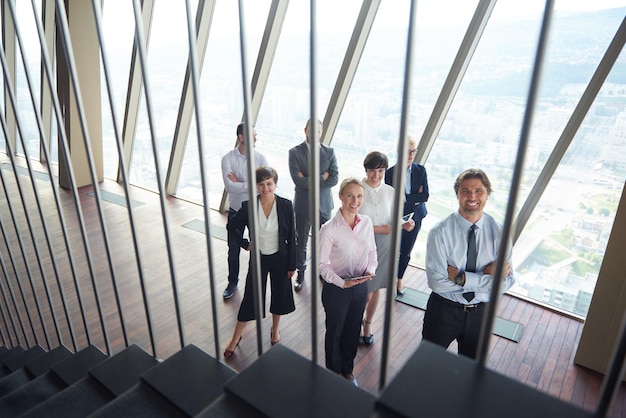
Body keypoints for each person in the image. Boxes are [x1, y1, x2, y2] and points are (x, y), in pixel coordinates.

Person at [422, 168, 515, 359]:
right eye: (465, 191)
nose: (472, 196)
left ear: (488, 194)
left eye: (478, 191)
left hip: (481, 314)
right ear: (457, 194)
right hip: (443, 312)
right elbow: (437, 282)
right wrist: (487, 275)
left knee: (472, 371)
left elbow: (506, 282)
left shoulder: (500, 234)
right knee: (428, 364)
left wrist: (461, 278)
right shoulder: (439, 232)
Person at [223, 166, 297, 357]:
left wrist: (292, 265)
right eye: (261, 184)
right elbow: (231, 225)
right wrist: (244, 243)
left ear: (275, 184)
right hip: (259, 258)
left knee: (279, 295)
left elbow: (291, 237)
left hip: (281, 258)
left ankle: (275, 329)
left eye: (269, 184)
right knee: (250, 298)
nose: (265, 188)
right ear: (256, 186)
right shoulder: (249, 206)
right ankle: (235, 337)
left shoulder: (286, 205)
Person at [319, 178, 377, 386]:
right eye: (350, 195)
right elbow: (322, 265)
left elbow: (371, 251)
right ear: (341, 197)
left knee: (353, 330)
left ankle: (348, 370)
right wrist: (342, 283)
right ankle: (333, 375)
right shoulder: (329, 229)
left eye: (359, 196)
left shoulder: (367, 223)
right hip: (337, 289)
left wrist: (370, 270)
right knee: (335, 332)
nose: (355, 200)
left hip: (360, 286)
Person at [358, 152, 415, 346]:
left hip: (384, 244)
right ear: (366, 169)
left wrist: (403, 224)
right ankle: (355, 322)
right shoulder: (357, 189)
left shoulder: (391, 192)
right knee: (364, 290)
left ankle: (367, 324)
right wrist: (377, 229)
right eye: (372, 170)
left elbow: (392, 219)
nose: (376, 175)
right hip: (361, 244)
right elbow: (350, 222)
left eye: (380, 170)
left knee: (376, 289)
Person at [289, 119, 339, 291]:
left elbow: (334, 178)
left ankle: (322, 270)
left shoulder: (330, 152)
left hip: (324, 206)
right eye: (312, 131)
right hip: (303, 206)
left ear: (321, 132)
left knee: (324, 242)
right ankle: (301, 273)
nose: (315, 134)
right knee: (300, 242)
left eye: (318, 131)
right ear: (305, 130)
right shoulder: (294, 152)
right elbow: (297, 180)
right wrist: (321, 177)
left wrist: (308, 179)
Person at [221, 123, 269, 299]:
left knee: (256, 250)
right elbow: (229, 187)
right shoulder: (227, 159)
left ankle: (253, 285)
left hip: (256, 210)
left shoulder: (261, 158)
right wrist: (251, 184)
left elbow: (264, 187)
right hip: (236, 211)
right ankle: (232, 282)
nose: (256, 138)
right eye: (252, 135)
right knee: (233, 250)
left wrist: (241, 182)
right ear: (241, 138)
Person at [384, 136, 429, 296]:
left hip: (416, 217)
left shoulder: (421, 170)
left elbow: (425, 196)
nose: (411, 155)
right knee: (393, 248)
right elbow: (391, 198)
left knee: (406, 250)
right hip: (397, 218)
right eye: (407, 151)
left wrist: (403, 198)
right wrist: (412, 198)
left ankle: (400, 278)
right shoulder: (390, 173)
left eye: (413, 151)